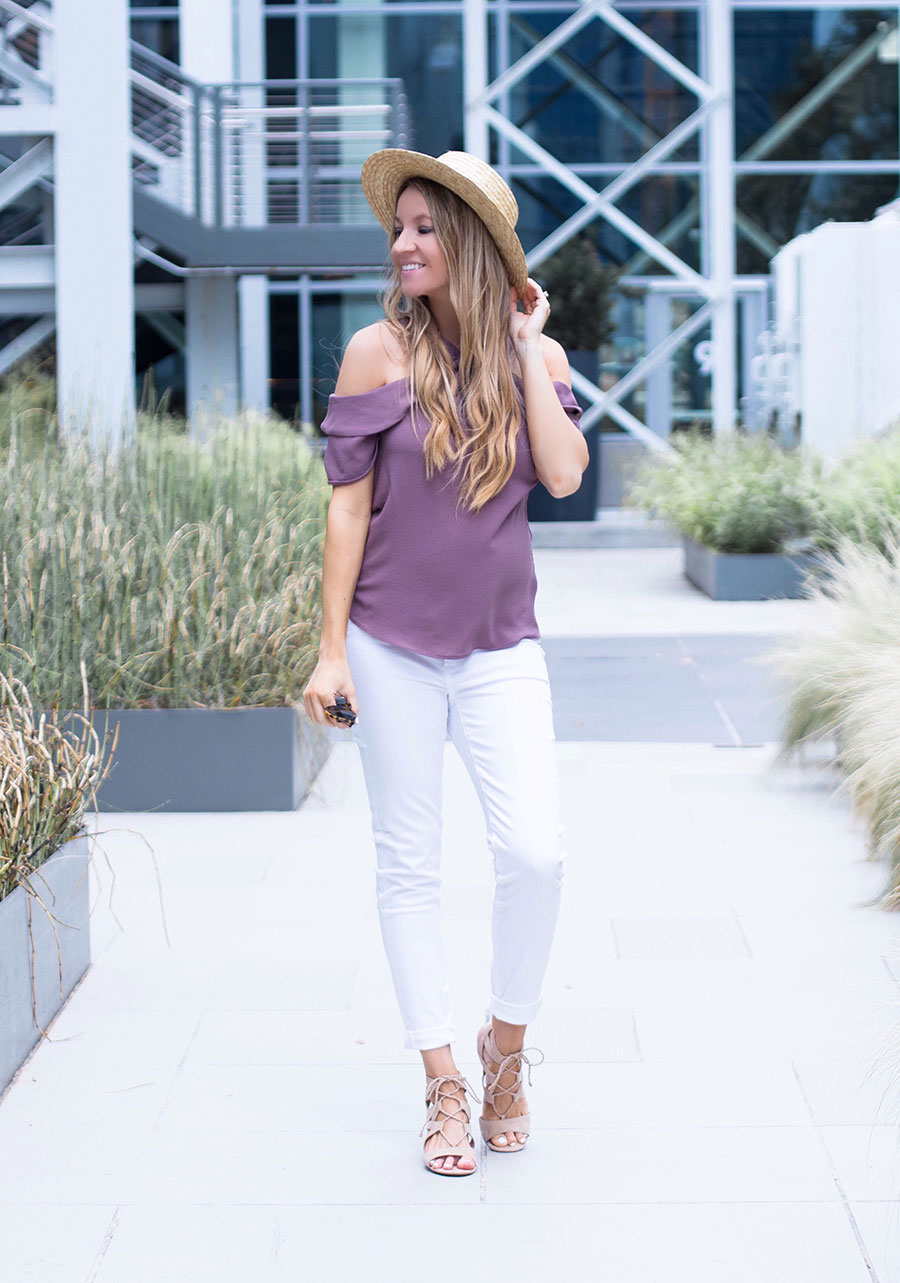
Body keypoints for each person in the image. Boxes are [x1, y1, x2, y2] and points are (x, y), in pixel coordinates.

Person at [302, 149, 588, 1176]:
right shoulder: (377, 354)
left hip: (503, 646)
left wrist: (527, 346)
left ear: (469, 242)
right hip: (389, 645)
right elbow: (345, 507)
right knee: (409, 865)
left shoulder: (532, 359)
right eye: (401, 226)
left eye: (426, 227)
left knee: (537, 854)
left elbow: (560, 472)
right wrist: (331, 650)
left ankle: (504, 1051)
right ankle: (444, 1082)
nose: (404, 243)